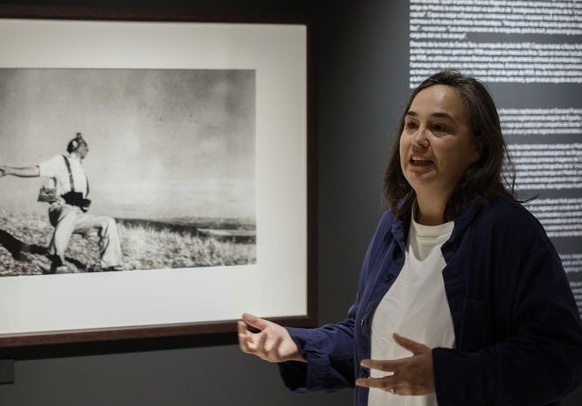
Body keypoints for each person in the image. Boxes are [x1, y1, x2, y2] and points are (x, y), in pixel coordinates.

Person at [237, 70, 582, 405]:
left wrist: (447, 375)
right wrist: (296, 344)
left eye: (439, 127)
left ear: (477, 148)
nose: (419, 139)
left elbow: (560, 358)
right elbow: (370, 343)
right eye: (412, 124)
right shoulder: (394, 224)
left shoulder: (508, 231)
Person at [0, 132, 122, 272]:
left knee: (108, 222)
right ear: (75, 145)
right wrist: (9, 170)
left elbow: (79, 199)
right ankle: (53, 257)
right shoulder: (60, 161)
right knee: (69, 212)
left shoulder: (81, 169)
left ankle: (111, 265)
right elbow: (37, 172)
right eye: (85, 145)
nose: (88, 148)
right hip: (61, 211)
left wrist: (82, 206)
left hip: (76, 215)